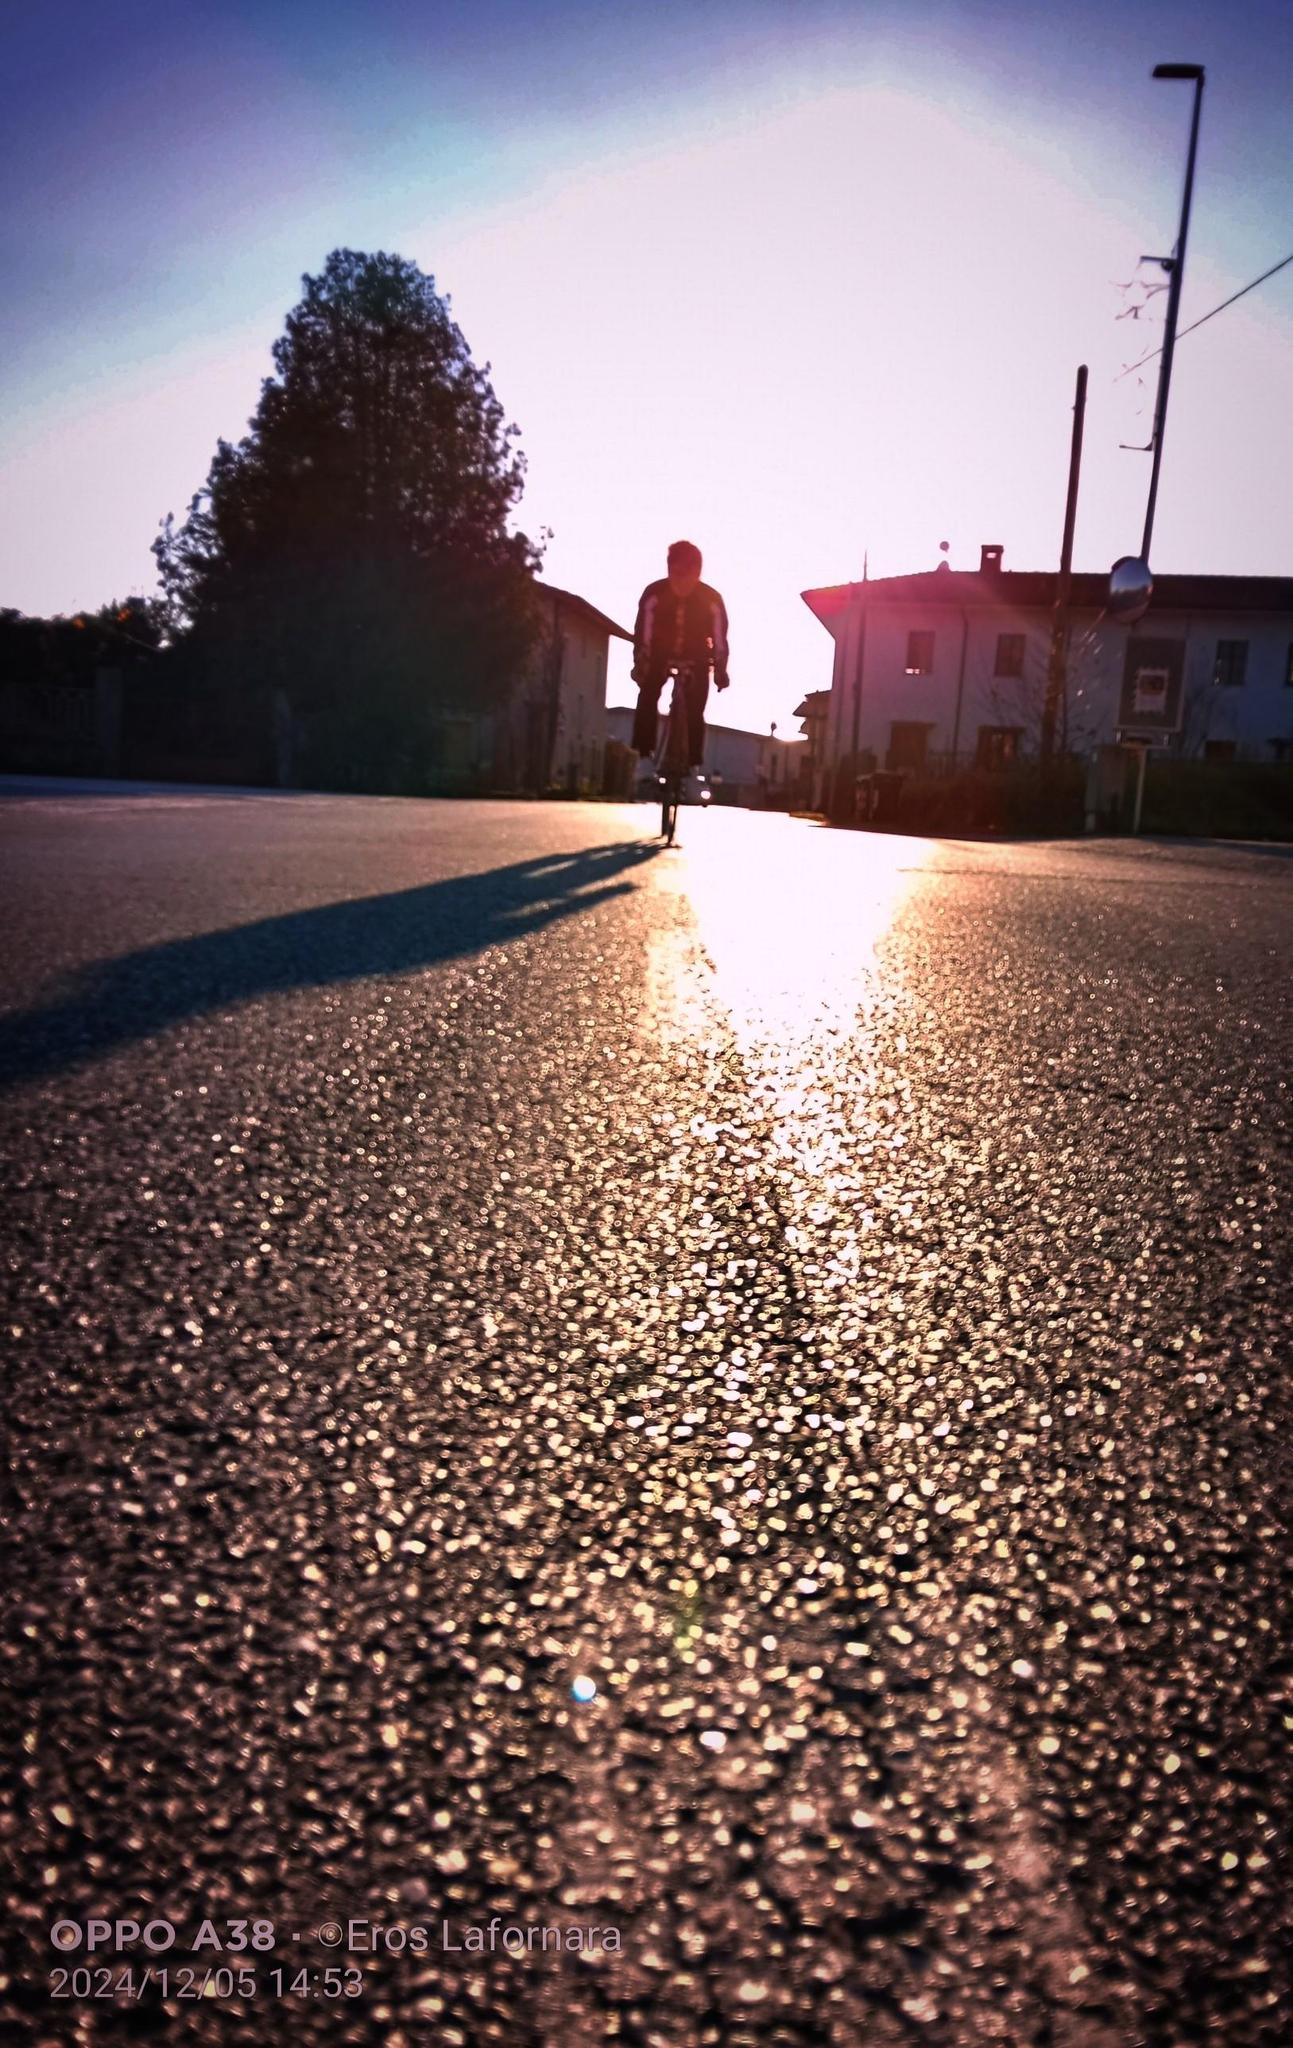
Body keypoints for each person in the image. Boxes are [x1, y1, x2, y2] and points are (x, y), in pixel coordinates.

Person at [630, 540, 730, 768]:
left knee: (696, 707)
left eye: (687, 574)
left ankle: (694, 765)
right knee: (647, 695)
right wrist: (640, 662)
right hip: (659, 654)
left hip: (697, 657)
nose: (681, 581)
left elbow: (719, 638)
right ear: (668, 570)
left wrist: (720, 670)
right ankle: (643, 756)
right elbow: (643, 632)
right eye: (676, 573)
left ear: (698, 573)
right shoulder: (654, 593)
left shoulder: (712, 599)